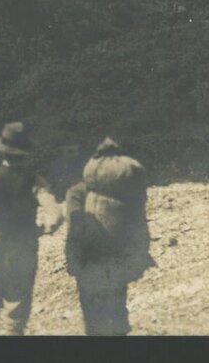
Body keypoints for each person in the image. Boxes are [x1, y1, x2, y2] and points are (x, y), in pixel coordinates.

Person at [0, 121, 60, 335]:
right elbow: (55, 214)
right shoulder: (35, 180)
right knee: (17, 302)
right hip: (23, 240)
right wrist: (43, 228)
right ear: (26, 153)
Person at [62, 137, 154, 336]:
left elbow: (75, 228)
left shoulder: (76, 193)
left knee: (94, 315)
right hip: (117, 254)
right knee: (117, 304)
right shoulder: (119, 190)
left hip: (90, 257)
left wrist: (71, 258)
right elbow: (138, 219)